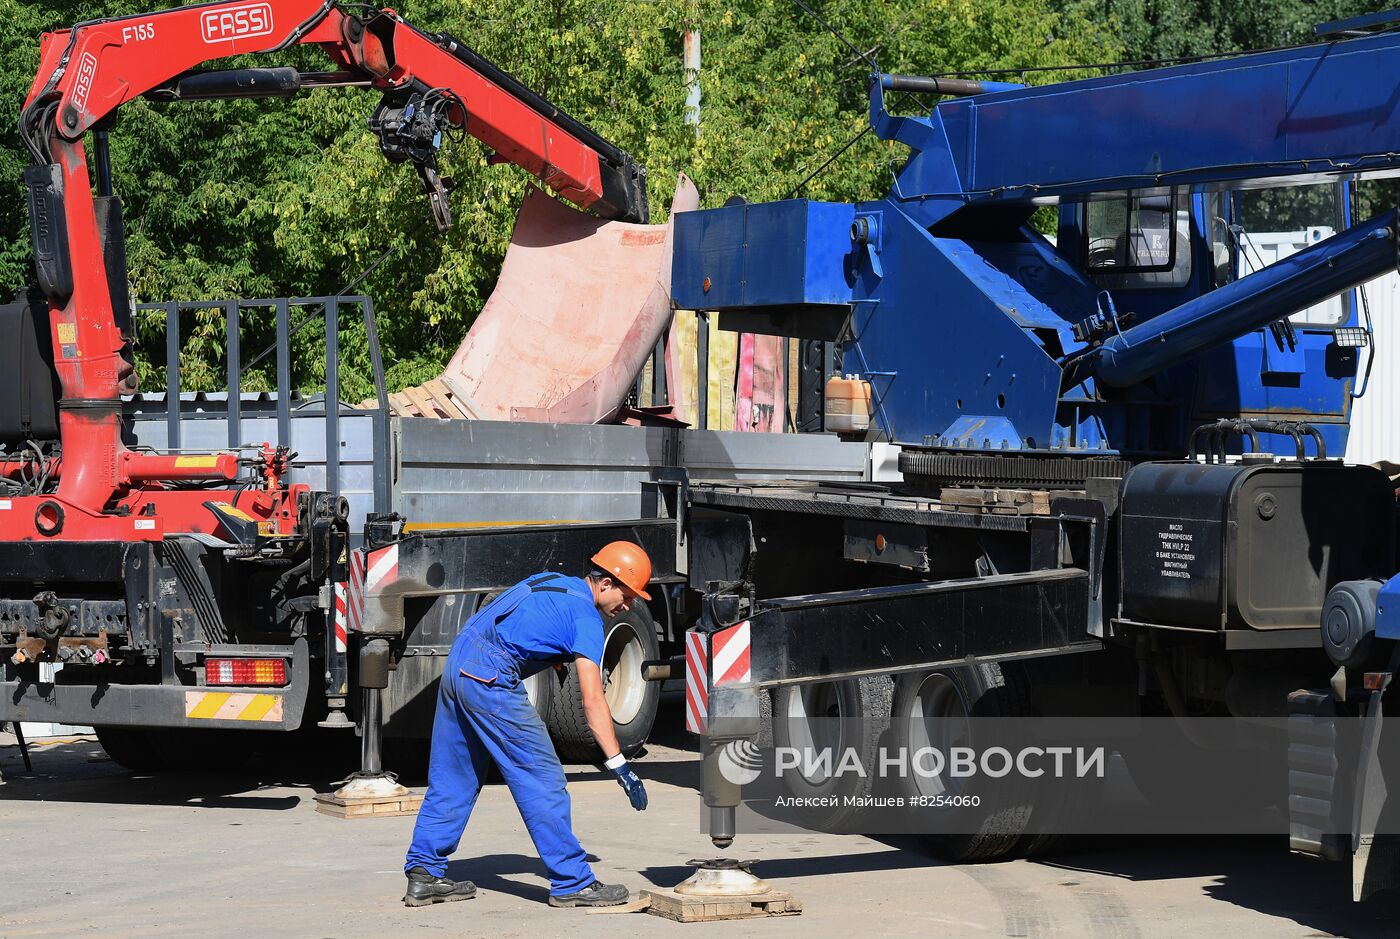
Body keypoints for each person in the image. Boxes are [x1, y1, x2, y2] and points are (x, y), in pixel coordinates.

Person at [402, 541, 653, 909]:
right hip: (490, 678)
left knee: (455, 775)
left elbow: (515, 615)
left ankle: (424, 874)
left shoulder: (554, 580)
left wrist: (546, 654)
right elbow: (593, 701)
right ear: (605, 584)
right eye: (627, 596)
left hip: (460, 664)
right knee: (542, 778)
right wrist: (620, 765)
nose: (628, 606)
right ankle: (572, 881)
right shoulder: (586, 617)